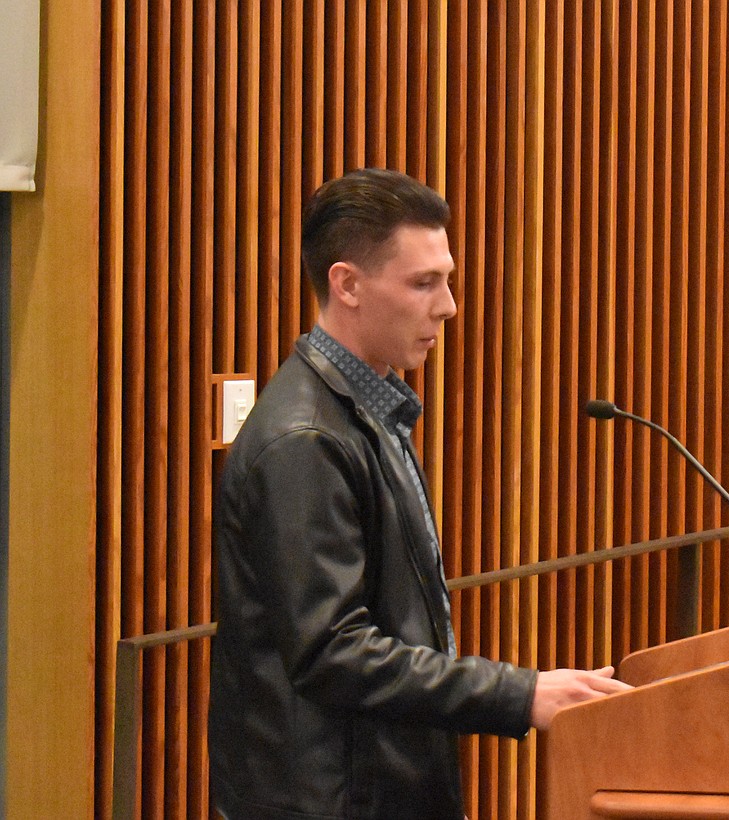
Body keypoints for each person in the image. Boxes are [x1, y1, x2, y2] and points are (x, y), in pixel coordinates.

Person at [209, 168, 631, 819]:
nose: (448, 306)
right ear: (346, 284)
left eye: (447, 279)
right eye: (423, 283)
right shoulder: (305, 440)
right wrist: (517, 694)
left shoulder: (367, 408)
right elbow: (333, 652)